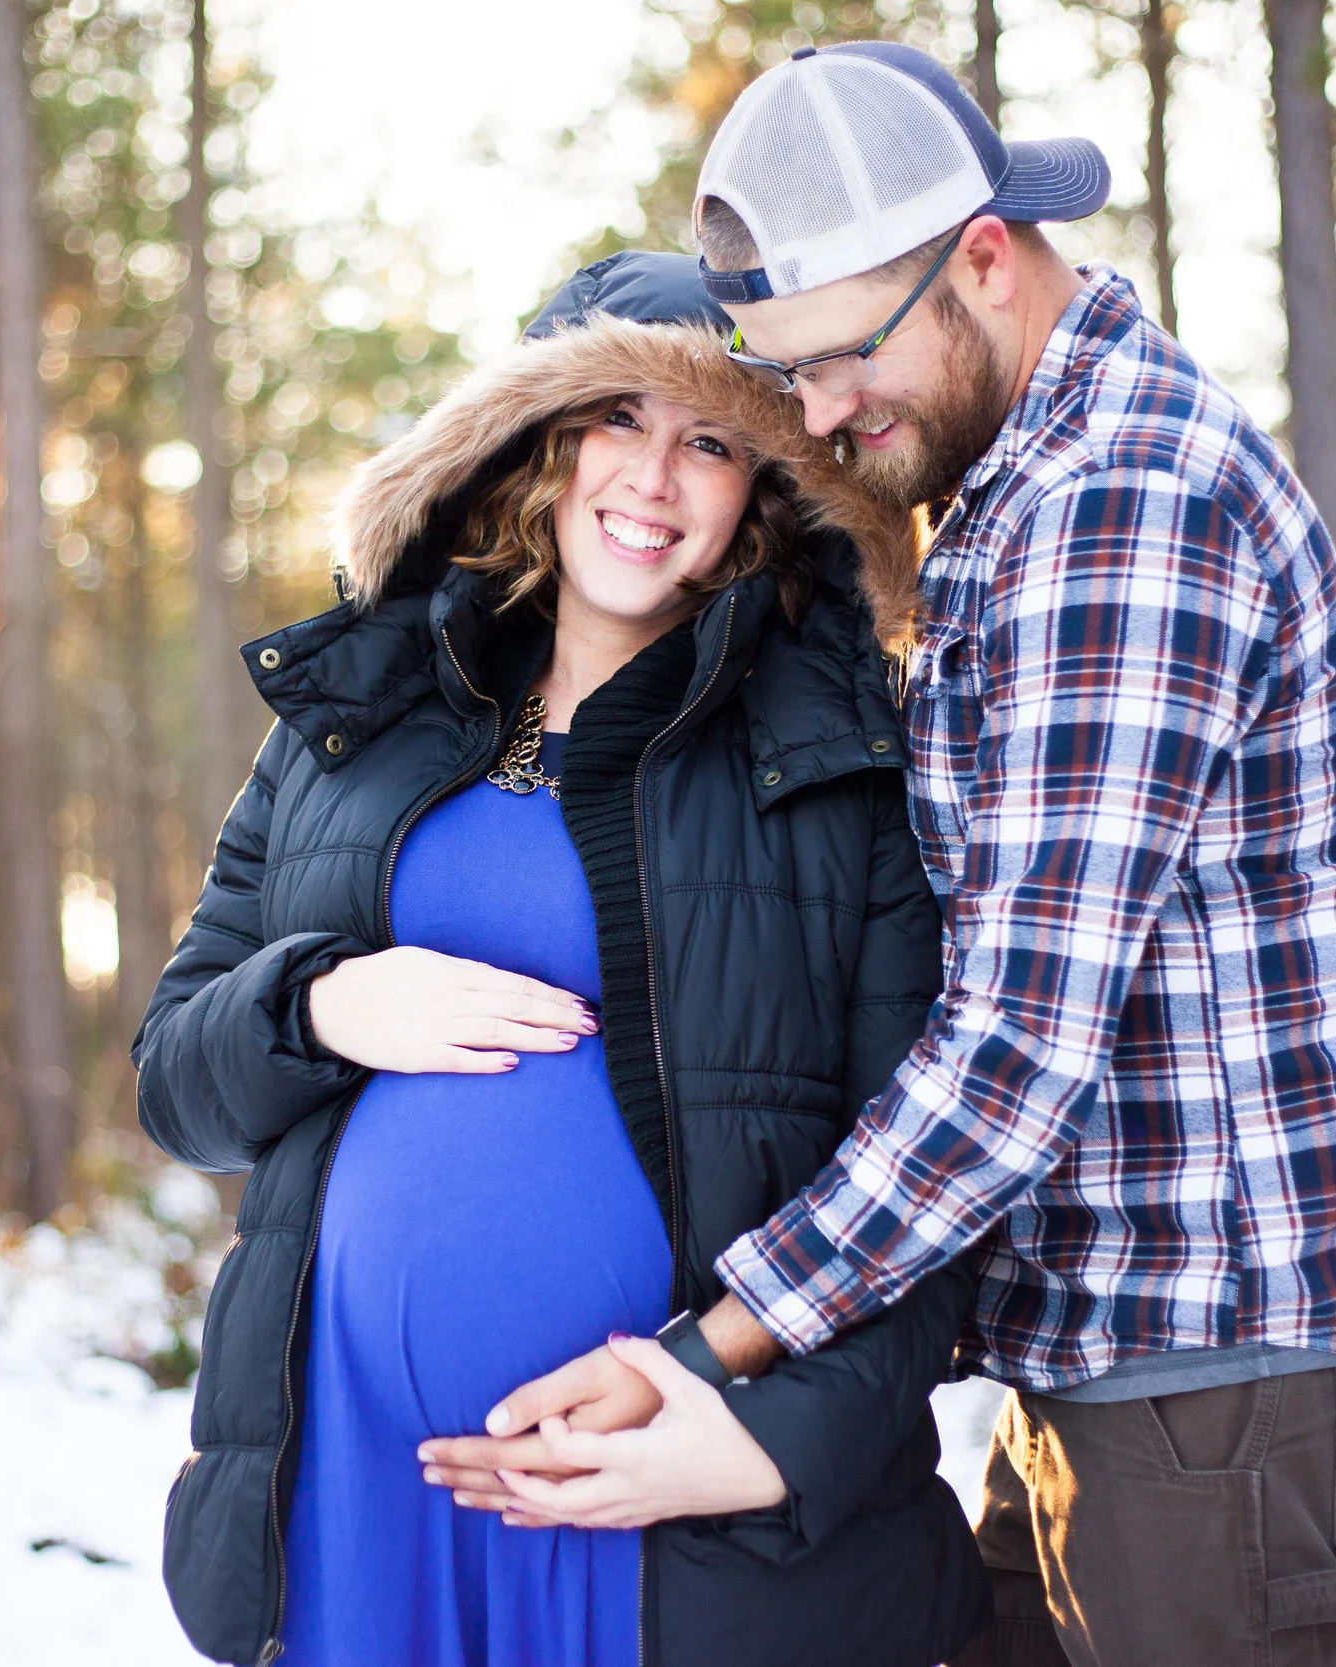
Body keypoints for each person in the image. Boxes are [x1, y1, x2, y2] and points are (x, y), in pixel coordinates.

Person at [427, 43, 1336, 1667]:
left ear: (983, 258)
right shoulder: (1016, 488)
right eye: (789, 382)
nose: (825, 416)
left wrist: (719, 1345)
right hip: (1116, 1347)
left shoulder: (1122, 504)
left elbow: (1017, 1041)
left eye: (842, 358)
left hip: (1232, 1361)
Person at [133, 251, 987, 1667]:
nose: (653, 479)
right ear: (533, 445)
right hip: (363, 1486)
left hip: (671, 1510)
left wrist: (754, 1443)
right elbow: (179, 1079)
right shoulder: (351, 725)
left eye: (709, 440)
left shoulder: (840, 768)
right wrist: (329, 1002)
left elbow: (939, 1171)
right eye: (615, 421)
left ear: (762, 493)